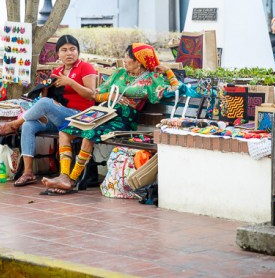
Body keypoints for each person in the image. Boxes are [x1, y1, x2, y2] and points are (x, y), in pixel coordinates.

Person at [41, 43, 179, 195]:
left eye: (127, 57)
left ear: (138, 61)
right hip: (104, 113)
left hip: (124, 119)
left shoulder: (151, 79)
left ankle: (71, 180)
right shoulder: (119, 73)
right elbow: (96, 94)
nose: (124, 60)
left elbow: (174, 90)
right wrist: (111, 96)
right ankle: (64, 176)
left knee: (88, 135)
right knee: (64, 132)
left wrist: (168, 72)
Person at [0, 35, 97, 187]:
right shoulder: (57, 71)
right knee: (29, 125)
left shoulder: (85, 67)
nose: (69, 53)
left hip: (80, 116)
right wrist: (45, 90)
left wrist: (70, 82)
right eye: (64, 50)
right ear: (58, 53)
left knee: (43, 105)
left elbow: (92, 94)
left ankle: (14, 125)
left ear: (78, 51)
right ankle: (28, 172)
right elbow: (47, 102)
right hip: (61, 118)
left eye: (73, 49)